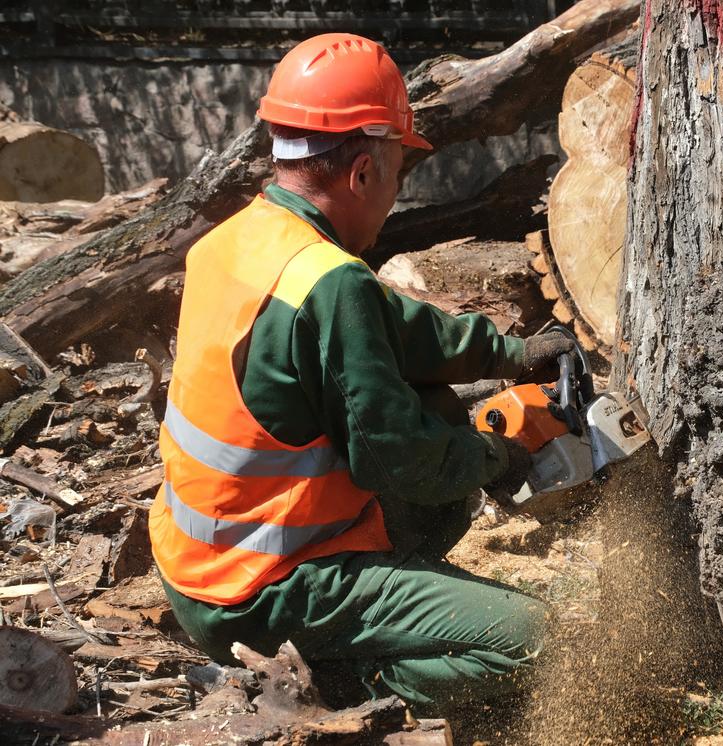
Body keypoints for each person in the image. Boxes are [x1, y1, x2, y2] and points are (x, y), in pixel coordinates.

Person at [148, 32, 575, 710]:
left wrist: (509, 353)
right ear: (364, 172)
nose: (394, 194)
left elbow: (397, 331)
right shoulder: (330, 283)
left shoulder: (234, 242)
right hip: (261, 591)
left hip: (196, 568)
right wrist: (498, 456)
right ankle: (348, 680)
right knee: (540, 643)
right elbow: (399, 459)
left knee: (432, 406)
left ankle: (383, 609)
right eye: (398, 175)